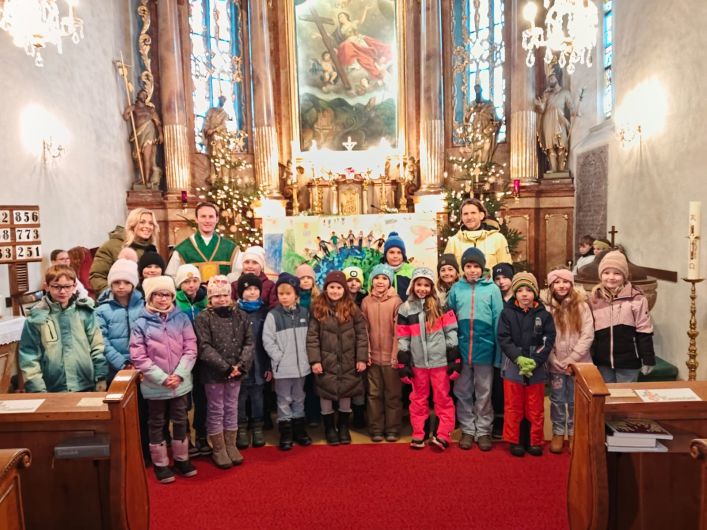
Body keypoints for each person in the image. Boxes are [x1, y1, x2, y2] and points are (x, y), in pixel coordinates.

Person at [130, 276, 198, 484]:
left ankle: (182, 459)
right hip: (155, 385)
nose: (162, 298)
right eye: (157, 294)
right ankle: (160, 463)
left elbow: (191, 348)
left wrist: (179, 374)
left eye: (166, 294)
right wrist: (162, 378)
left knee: (180, 419)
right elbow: (138, 356)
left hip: (179, 383)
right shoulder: (140, 323)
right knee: (157, 422)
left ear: (172, 296)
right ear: (150, 296)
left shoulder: (181, 319)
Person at [446, 247, 503, 451]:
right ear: (463, 268)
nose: (472, 270)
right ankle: (468, 429)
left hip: (485, 350)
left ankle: (484, 430)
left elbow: (498, 321)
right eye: (468, 266)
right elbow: (449, 318)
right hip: (462, 350)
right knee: (462, 391)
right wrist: (451, 348)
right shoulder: (456, 289)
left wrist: (498, 353)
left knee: (484, 392)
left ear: (482, 268)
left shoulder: (492, 289)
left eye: (476, 266)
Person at [396, 267, 460, 450]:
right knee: (418, 399)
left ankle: (443, 433)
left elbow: (451, 331)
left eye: (426, 285)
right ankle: (419, 432)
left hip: (440, 363)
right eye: (419, 284)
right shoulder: (405, 309)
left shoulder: (441, 306)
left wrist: (453, 358)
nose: (422, 288)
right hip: (418, 364)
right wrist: (403, 361)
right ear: (412, 286)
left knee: (442, 398)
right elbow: (403, 337)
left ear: (432, 287)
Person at [194, 276, 254, 469]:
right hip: (214, 373)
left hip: (237, 372)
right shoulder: (203, 318)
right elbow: (204, 347)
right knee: (216, 409)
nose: (221, 299)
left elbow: (249, 342)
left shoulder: (241, 316)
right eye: (217, 296)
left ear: (231, 295)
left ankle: (230, 445)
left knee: (231, 407)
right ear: (210, 298)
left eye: (225, 295)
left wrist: (240, 366)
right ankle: (218, 448)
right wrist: (226, 368)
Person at [19, 265, 108, 393]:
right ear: (47, 286)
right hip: (52, 388)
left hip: (85, 383)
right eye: (56, 287)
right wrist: (37, 389)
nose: (62, 291)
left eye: (67, 286)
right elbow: (29, 356)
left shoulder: (85, 312)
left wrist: (101, 376)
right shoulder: (36, 318)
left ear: (74, 286)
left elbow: (97, 345)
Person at [94, 259, 150, 463]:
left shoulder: (143, 306)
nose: (121, 286)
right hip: (116, 371)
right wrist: (123, 363)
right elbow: (102, 341)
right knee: (120, 414)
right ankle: (123, 455)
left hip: (142, 370)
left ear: (133, 284)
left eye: (126, 282)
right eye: (116, 282)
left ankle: (144, 453)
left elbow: (149, 335)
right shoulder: (102, 310)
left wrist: (140, 363)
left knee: (143, 413)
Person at [498, 272, 556, 457]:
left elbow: (548, 339)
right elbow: (504, 338)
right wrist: (518, 358)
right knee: (513, 405)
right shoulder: (507, 313)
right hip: (513, 366)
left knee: (535, 406)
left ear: (535, 293)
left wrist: (535, 361)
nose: (524, 294)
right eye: (520, 290)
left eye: (529, 290)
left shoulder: (544, 315)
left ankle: (534, 440)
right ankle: (515, 440)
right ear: (515, 293)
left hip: (536, 367)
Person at [307, 271, 368, 445]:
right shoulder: (318, 308)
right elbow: (312, 337)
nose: (335, 291)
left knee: (346, 392)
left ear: (344, 289)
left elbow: (361, 335)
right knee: (325, 393)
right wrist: (315, 360)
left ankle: (343, 427)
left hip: (349, 359)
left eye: (339, 288)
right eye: (332, 287)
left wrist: (361, 358)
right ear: (326, 288)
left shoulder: (352, 308)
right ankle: (329, 428)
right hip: (326, 360)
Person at [542, 268, 594, 454]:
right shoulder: (546, 308)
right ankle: (558, 431)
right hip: (555, 363)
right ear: (551, 286)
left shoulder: (582, 306)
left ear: (571, 284)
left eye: (565, 282)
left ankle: (573, 432)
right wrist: (551, 357)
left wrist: (572, 359)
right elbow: (543, 336)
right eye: (557, 282)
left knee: (574, 399)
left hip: (578, 364)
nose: (561, 286)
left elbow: (587, 335)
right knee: (557, 399)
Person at [589, 251, 656, 383]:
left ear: (624, 275)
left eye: (617, 273)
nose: (611, 277)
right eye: (606, 272)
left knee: (626, 394)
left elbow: (644, 330)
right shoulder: (593, 299)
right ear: (600, 275)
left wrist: (648, 358)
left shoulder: (636, 299)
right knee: (606, 394)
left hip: (629, 361)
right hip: (602, 361)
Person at [263, 273, 313, 451]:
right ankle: (286, 432)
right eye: (281, 294)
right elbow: (268, 340)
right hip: (283, 368)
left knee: (299, 397)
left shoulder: (304, 313)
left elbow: (311, 337)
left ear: (296, 295)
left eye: (288, 293)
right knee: (283, 399)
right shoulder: (273, 315)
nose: (284, 297)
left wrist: (307, 357)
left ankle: (299, 429)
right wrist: (279, 357)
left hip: (302, 367)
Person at [361, 264, 402, 442]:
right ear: (372, 281)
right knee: (374, 395)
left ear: (389, 282)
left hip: (391, 359)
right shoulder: (366, 302)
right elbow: (364, 330)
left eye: (384, 278)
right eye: (377, 278)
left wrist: (395, 355)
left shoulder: (396, 302)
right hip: (373, 359)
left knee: (393, 395)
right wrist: (367, 353)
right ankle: (376, 428)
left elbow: (399, 332)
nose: (380, 281)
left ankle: (392, 428)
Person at [174, 264, 210, 457]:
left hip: (203, 356)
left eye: (195, 280)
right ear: (180, 284)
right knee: (184, 399)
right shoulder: (175, 302)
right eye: (186, 281)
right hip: (183, 357)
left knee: (202, 397)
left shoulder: (206, 300)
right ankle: (185, 435)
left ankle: (202, 434)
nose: (191, 285)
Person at [234, 273, 271, 450]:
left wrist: (268, 365)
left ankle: (257, 427)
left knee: (257, 396)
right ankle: (241, 428)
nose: (252, 292)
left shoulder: (265, 312)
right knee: (240, 397)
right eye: (248, 289)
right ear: (241, 292)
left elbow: (269, 341)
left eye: (256, 289)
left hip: (260, 363)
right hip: (240, 364)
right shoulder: (234, 312)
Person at [89, 208, 159, 296]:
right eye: (142, 222)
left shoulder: (151, 249)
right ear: (132, 224)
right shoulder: (112, 246)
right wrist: (116, 295)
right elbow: (96, 277)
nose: (147, 226)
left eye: (151, 223)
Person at [165, 202, 239, 282]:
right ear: (196, 219)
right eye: (203, 216)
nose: (207, 221)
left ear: (217, 219)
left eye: (211, 217)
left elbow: (238, 276)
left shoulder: (231, 249)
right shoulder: (182, 250)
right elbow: (171, 278)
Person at [444, 198, 512, 272]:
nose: (469, 217)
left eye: (473, 213)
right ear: (461, 217)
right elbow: (446, 271)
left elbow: (506, 269)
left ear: (481, 215)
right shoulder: (453, 242)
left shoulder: (498, 239)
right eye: (465, 214)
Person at [332, 10, 393, 84]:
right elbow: (333, 36)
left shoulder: (352, 23)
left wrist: (365, 10)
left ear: (346, 17)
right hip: (349, 41)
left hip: (357, 38)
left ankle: (372, 61)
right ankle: (353, 64)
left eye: (342, 16)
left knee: (364, 50)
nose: (340, 18)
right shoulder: (340, 29)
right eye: (339, 17)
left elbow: (361, 21)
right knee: (345, 47)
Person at [490, 261, 515, 439]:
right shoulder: (493, 297)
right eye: (497, 278)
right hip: (497, 351)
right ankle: (499, 420)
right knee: (497, 389)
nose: (501, 282)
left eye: (505, 277)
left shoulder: (520, 296)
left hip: (515, 351)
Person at [534, 65, 574, 173]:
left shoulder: (565, 92)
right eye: (549, 78)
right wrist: (540, 105)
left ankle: (561, 169)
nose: (550, 80)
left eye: (552, 77)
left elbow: (571, 107)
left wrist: (575, 112)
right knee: (550, 147)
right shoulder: (547, 94)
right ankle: (553, 169)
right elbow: (542, 109)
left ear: (557, 77)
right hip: (548, 120)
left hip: (560, 119)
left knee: (562, 144)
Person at [123, 88, 163, 188]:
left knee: (146, 156)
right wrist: (128, 112)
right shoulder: (133, 107)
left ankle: (147, 181)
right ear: (138, 95)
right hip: (138, 134)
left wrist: (160, 134)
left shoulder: (150, 109)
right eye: (143, 94)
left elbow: (158, 123)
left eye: (146, 95)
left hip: (149, 131)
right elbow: (125, 117)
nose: (144, 96)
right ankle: (143, 178)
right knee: (137, 157)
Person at [381, 232, 415, 302]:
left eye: (399, 252)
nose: (395, 256)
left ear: (403, 255)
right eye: (391, 252)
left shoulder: (412, 272)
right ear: (385, 254)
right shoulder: (378, 271)